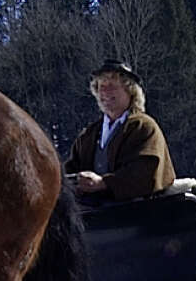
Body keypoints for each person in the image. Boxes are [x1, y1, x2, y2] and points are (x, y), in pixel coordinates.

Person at [64, 59, 175, 203]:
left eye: (112, 85)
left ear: (130, 91)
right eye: (101, 86)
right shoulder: (89, 134)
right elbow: (70, 171)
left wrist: (103, 183)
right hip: (95, 216)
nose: (105, 91)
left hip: (137, 215)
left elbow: (146, 172)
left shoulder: (144, 127)